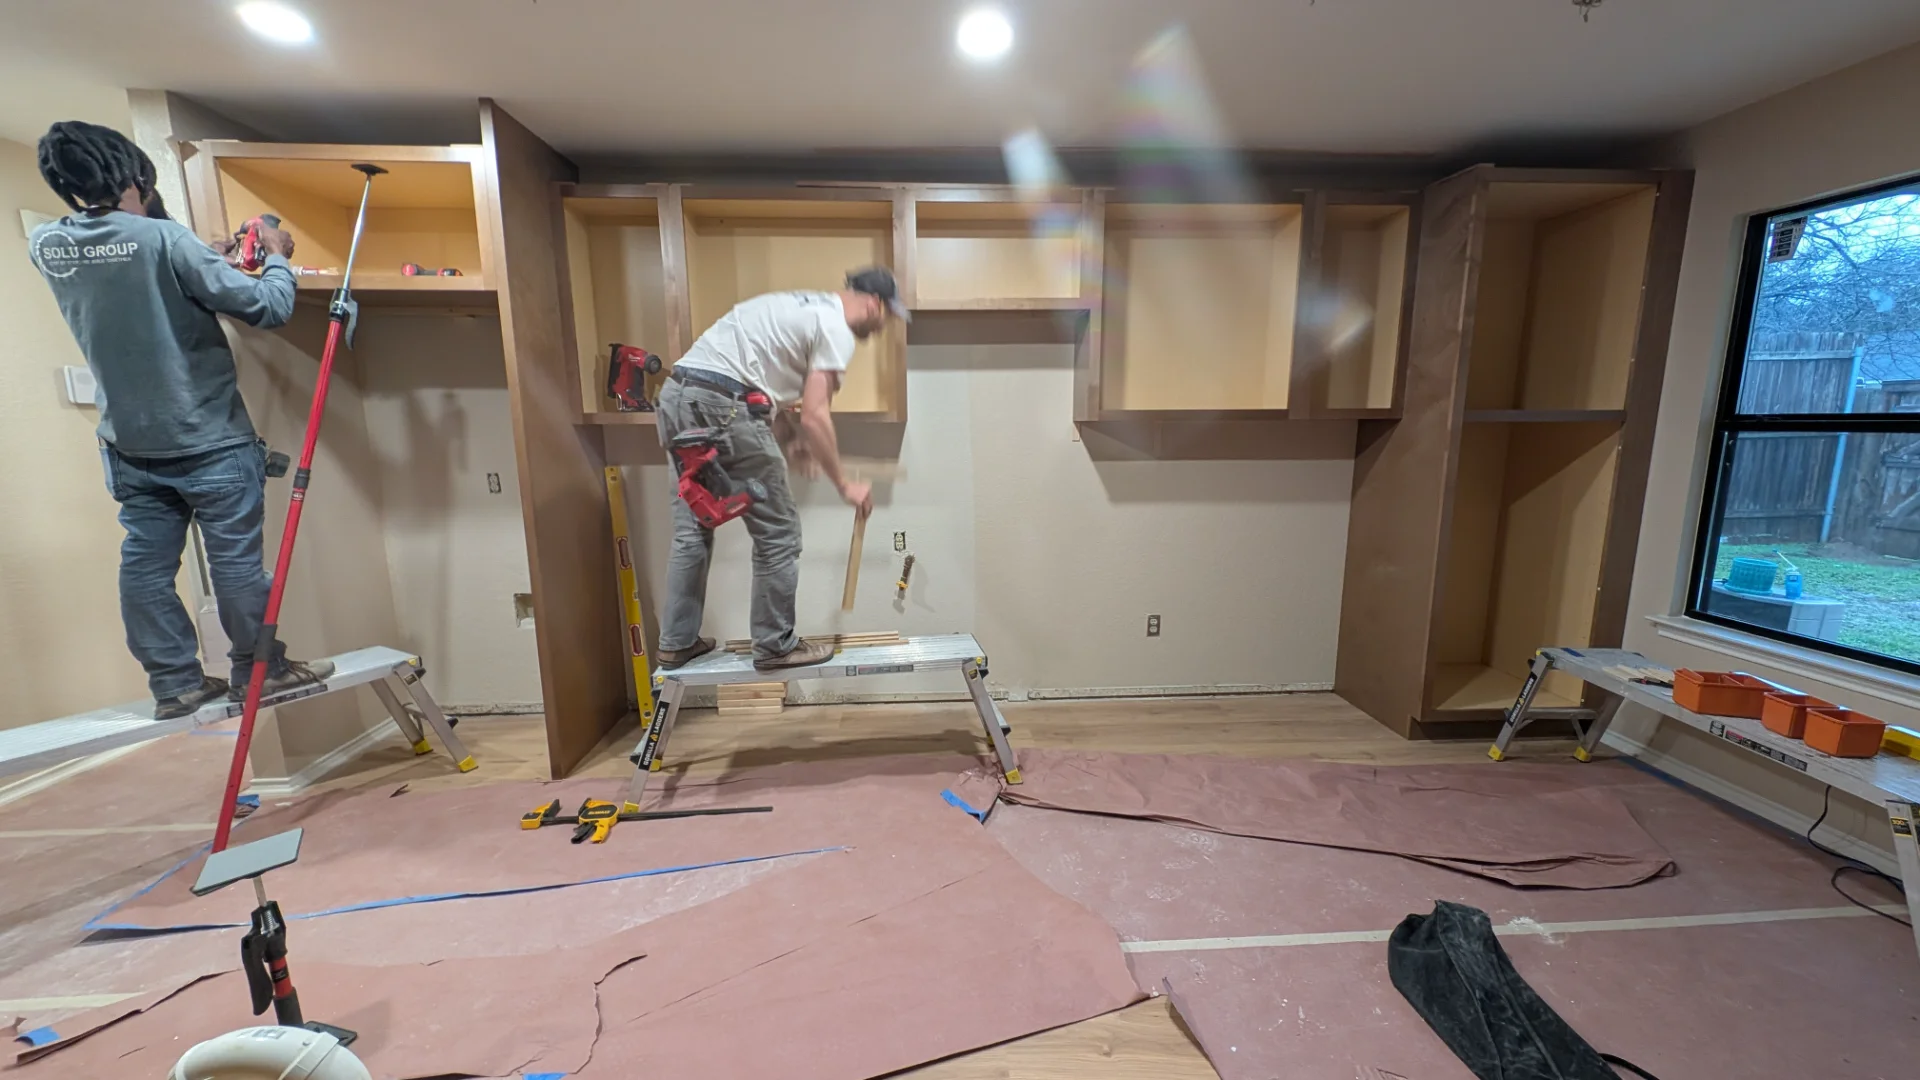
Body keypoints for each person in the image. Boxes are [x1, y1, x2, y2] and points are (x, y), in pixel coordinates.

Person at [28, 121, 334, 719]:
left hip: (130, 446)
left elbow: (121, 278)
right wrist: (276, 259)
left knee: (144, 563)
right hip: (210, 440)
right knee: (237, 567)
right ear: (135, 176)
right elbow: (267, 309)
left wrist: (201, 261)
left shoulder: (47, 245)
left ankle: (175, 683)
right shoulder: (165, 239)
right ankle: (257, 671)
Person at [654, 267, 907, 672]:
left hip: (677, 398)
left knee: (693, 527)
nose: (881, 328)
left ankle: (676, 643)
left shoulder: (798, 305)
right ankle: (775, 645)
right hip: (723, 406)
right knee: (779, 533)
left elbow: (756, 382)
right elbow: (816, 413)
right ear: (874, 304)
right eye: (886, 317)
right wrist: (845, 485)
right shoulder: (836, 327)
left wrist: (790, 437)